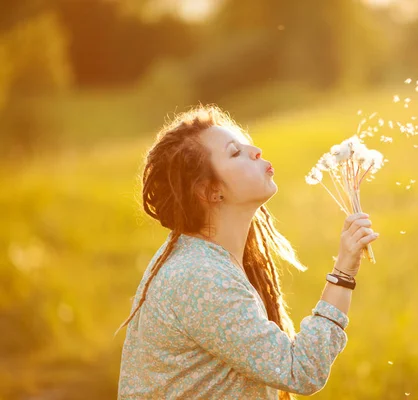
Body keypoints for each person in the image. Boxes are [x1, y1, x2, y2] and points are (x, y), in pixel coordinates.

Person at [115, 104, 379, 399]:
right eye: (235, 152)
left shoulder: (207, 255)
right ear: (210, 192)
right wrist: (344, 271)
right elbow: (300, 370)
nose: (255, 150)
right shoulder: (200, 277)